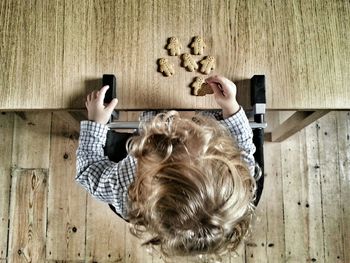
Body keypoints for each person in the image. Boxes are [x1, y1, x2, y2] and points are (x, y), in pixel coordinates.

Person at [76, 75, 259, 259]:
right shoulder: (238, 176)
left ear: (140, 183)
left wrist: (95, 123)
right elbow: (242, 145)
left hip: (146, 115)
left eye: (152, 149)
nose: (172, 119)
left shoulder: (126, 190)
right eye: (185, 135)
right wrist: (231, 107)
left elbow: (87, 171)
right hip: (205, 107)